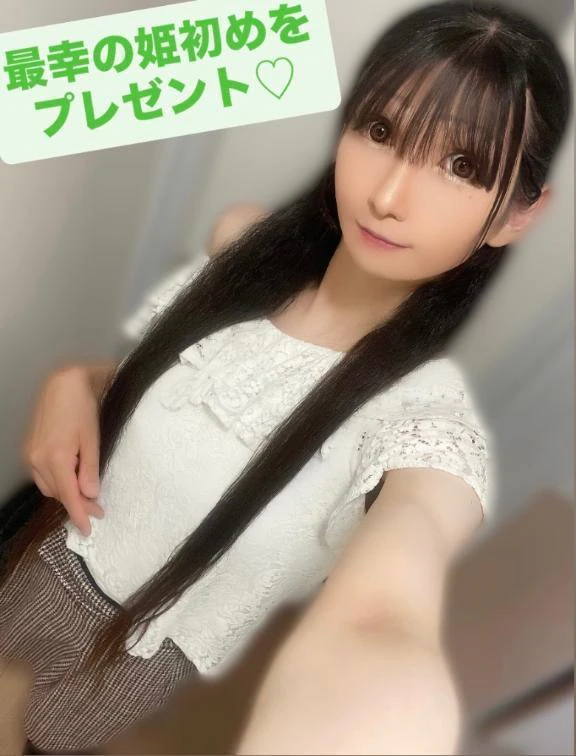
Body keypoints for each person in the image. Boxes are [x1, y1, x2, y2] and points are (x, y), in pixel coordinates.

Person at [0, 1, 571, 753]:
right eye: (382, 130)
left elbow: (389, 607)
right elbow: (180, 396)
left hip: (113, 674)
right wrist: (79, 382)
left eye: (462, 166)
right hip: (24, 556)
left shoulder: (422, 424)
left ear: (516, 216)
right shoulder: (241, 246)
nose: (388, 196)